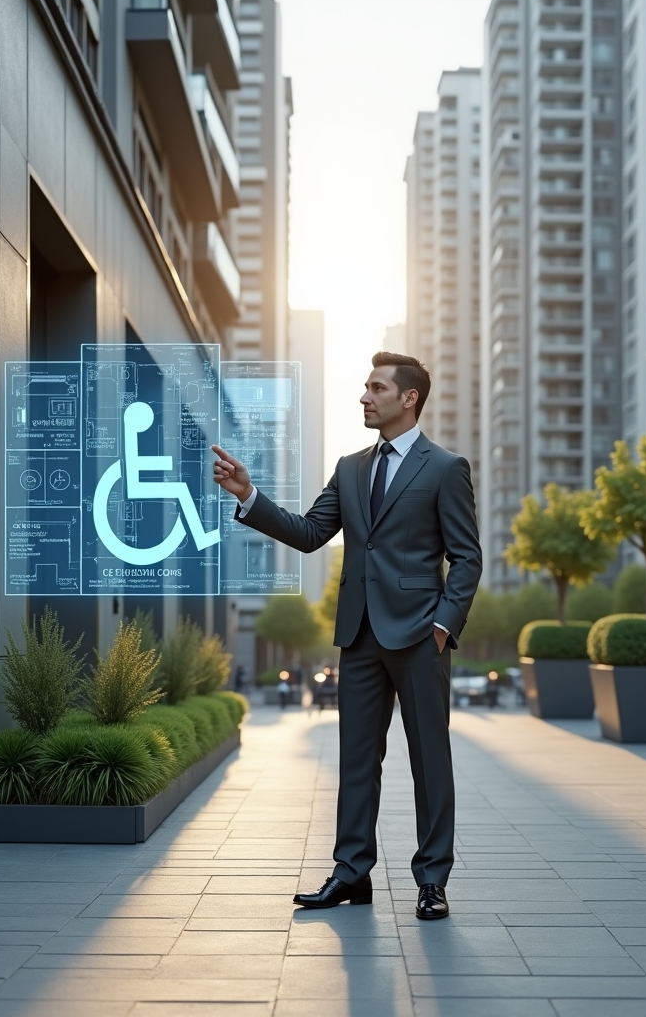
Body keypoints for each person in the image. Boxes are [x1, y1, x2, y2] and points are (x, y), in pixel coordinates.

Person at [212, 352, 481, 921]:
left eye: (377, 388)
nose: (364, 397)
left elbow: (466, 557)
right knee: (357, 760)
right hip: (358, 636)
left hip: (419, 637)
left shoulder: (445, 467)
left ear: (409, 398)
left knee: (430, 760)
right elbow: (311, 534)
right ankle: (351, 873)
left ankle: (432, 880)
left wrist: (443, 625)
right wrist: (248, 496)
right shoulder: (351, 467)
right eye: (364, 388)